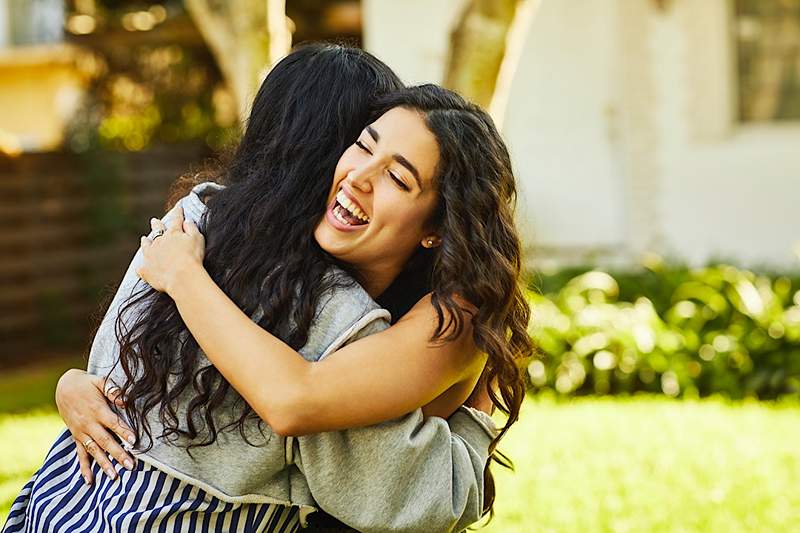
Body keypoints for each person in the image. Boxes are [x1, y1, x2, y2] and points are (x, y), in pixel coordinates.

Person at [3, 48, 528, 533]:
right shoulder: (330, 311)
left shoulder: (191, 228)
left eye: (399, 177)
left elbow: (298, 404)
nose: (358, 176)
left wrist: (182, 279)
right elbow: (105, 381)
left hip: (56, 504)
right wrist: (73, 384)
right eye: (362, 144)